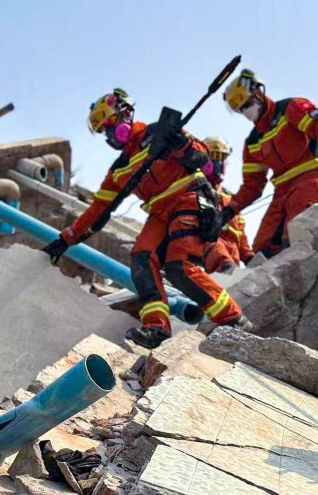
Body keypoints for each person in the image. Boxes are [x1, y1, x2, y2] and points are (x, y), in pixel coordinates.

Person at [42, 89, 248, 349]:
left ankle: (233, 319)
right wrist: (66, 239)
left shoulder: (160, 132)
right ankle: (156, 328)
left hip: (188, 198)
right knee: (141, 258)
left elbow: (202, 158)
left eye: (111, 124)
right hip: (160, 213)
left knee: (179, 266)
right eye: (104, 131)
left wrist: (182, 145)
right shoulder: (119, 168)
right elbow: (98, 209)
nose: (109, 134)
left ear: (126, 115)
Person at [221, 69, 318, 258]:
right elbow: (252, 186)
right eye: (241, 109)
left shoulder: (290, 109)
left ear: (259, 93)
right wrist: (229, 210)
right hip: (282, 192)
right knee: (263, 247)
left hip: (309, 178)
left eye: (248, 104)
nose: (247, 112)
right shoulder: (253, 142)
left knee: (296, 235)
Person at [201, 136, 253, 274]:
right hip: (212, 265)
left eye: (222, 158)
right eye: (214, 157)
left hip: (232, 266)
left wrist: (250, 257)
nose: (218, 162)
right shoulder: (194, 192)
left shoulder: (231, 200)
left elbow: (240, 236)